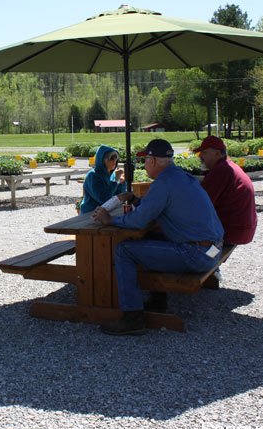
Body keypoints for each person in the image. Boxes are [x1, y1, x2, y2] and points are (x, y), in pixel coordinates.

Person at [93, 139, 224, 336]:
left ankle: (132, 317)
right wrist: (136, 200)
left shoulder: (163, 183)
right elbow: (153, 207)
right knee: (150, 239)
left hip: (197, 254)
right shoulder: (180, 176)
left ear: (152, 161)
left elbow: (138, 221)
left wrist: (109, 220)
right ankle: (157, 299)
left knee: (125, 250)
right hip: (214, 249)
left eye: (145, 160)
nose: (144, 165)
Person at [194, 136, 257, 245]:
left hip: (232, 232)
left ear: (217, 154)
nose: (200, 156)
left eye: (204, 152)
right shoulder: (228, 166)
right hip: (244, 229)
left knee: (180, 235)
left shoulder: (220, 171)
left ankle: (206, 258)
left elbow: (200, 204)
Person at [79, 145, 126, 214]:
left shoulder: (112, 174)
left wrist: (122, 183)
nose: (114, 161)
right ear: (101, 159)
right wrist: (115, 180)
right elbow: (104, 199)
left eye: (116, 158)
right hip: (90, 214)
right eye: (111, 158)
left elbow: (118, 196)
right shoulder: (93, 176)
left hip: (104, 213)